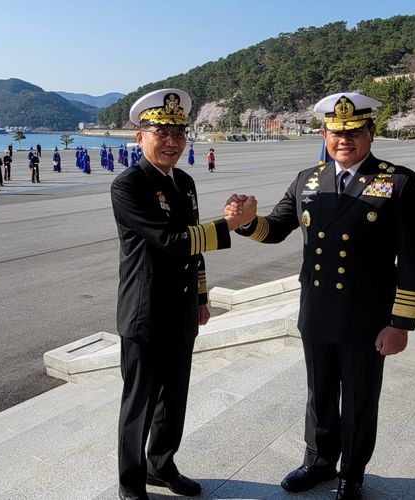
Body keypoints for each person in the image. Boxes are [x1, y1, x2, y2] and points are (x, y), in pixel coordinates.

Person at [228, 92, 415, 500]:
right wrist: (248, 224)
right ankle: (318, 462)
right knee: (319, 392)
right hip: (317, 309)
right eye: (336, 132)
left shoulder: (398, 182)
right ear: (324, 134)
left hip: (366, 314)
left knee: (358, 398)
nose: (345, 140)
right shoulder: (308, 179)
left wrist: (401, 323)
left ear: (371, 133)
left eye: (354, 131)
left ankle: (352, 473)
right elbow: (277, 228)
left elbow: (413, 259)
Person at [110, 88, 256, 500]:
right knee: (138, 402)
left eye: (179, 132)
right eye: (161, 132)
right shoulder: (129, 185)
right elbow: (172, 240)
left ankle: (162, 464)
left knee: (174, 397)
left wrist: (201, 297)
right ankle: (131, 483)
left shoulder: (186, 182)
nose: (172, 141)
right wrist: (228, 225)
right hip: (144, 311)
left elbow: (194, 250)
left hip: (180, 310)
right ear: (140, 137)